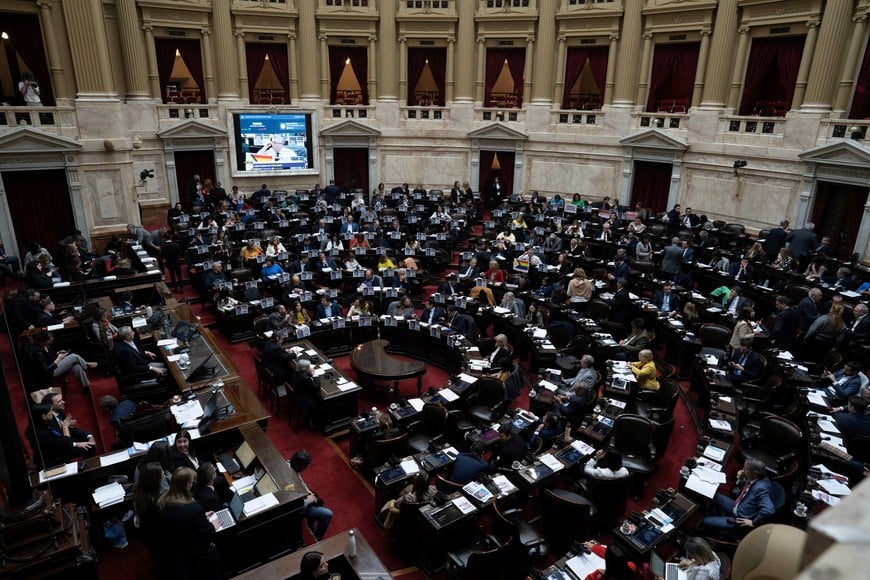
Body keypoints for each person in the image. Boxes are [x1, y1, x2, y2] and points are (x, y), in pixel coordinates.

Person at [158, 467, 222, 579]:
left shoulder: (163, 500)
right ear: (187, 484)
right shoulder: (193, 508)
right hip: (193, 552)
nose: (193, 484)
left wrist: (201, 517)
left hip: (173, 547)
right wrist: (212, 526)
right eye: (192, 482)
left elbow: (181, 519)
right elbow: (206, 534)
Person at [701, 458, 774, 534]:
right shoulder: (755, 477)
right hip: (738, 505)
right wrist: (742, 479)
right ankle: (714, 522)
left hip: (740, 517)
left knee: (706, 521)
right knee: (713, 495)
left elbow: (769, 510)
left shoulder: (761, 488)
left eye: (745, 469)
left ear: (754, 473)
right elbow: (747, 489)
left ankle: (709, 531)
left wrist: (753, 523)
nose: (743, 469)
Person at [29, 402, 95, 466]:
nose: (52, 413)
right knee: (87, 447)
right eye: (50, 411)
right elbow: (65, 443)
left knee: (89, 445)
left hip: (59, 448)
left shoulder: (43, 424)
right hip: (53, 460)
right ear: (43, 416)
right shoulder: (40, 433)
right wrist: (65, 426)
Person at [290, 450, 333, 541]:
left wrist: (308, 491)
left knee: (317, 500)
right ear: (300, 466)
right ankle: (317, 539)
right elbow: (294, 504)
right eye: (305, 466)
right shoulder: (290, 480)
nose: (305, 468)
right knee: (328, 514)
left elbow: (300, 482)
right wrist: (309, 500)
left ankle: (311, 528)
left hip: (302, 496)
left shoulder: (289, 465)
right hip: (296, 509)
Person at [30, 330, 96, 389]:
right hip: (50, 373)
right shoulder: (37, 351)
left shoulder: (45, 345)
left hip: (55, 366)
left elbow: (51, 357)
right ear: (44, 340)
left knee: (77, 367)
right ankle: (87, 364)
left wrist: (58, 353)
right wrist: (58, 359)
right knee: (73, 356)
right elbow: (46, 369)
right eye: (50, 341)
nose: (51, 342)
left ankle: (86, 386)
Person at [134, 461, 168, 573]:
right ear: (155, 480)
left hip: (148, 533)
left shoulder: (141, 490)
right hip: (157, 536)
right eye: (161, 474)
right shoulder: (155, 502)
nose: (164, 474)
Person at [292, 359, 322, 430]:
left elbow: (302, 375)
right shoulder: (305, 378)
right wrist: (315, 375)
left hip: (298, 394)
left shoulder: (295, 371)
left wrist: (309, 372)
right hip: (305, 400)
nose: (310, 368)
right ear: (304, 369)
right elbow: (317, 387)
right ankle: (312, 421)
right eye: (308, 367)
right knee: (322, 400)